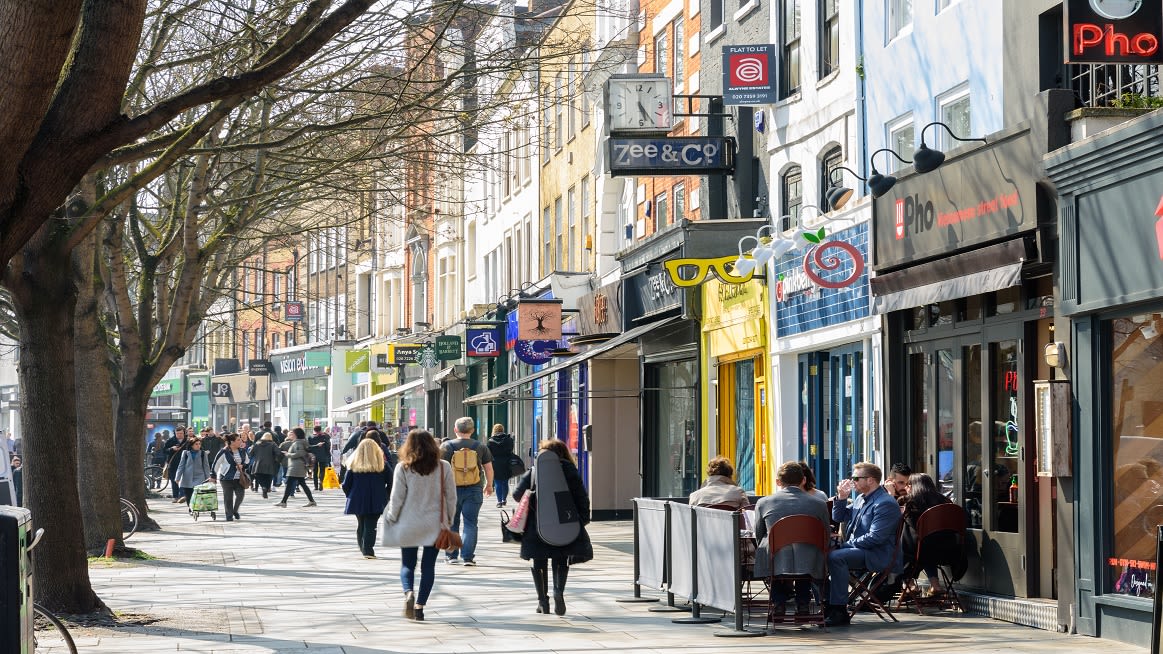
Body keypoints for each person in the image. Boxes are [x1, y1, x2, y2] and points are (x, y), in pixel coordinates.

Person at [382, 429, 457, 622]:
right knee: (428, 566)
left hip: (409, 523)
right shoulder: (444, 467)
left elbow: (397, 497)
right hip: (435, 524)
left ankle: (408, 592)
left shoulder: (403, 467)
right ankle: (420, 607)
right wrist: (450, 519)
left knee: (407, 564)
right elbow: (451, 497)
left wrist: (391, 516)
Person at [512, 439, 593, 616]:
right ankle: (559, 592)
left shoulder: (535, 471)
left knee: (538, 560)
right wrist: (583, 519)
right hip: (565, 521)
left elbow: (517, 494)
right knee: (561, 558)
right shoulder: (569, 470)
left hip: (537, 523)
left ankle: (543, 601)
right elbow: (581, 496)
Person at [825, 462, 902, 626]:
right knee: (822, 554)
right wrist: (842, 498)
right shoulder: (861, 498)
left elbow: (876, 538)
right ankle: (828, 604)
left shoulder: (885, 503)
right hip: (860, 549)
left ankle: (839, 610)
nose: (852, 482)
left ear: (871, 480)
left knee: (836, 557)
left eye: (856, 478)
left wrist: (846, 545)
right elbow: (839, 518)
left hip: (878, 553)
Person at [753, 461, 830, 617]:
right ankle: (803, 604)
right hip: (810, 558)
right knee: (806, 553)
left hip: (777, 557)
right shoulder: (819, 503)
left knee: (772, 549)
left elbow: (759, 534)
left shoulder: (763, 503)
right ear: (803, 480)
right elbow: (825, 534)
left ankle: (778, 603)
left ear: (778, 482)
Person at [439, 417, 494, 566]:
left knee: (452, 523)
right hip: (474, 488)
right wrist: (489, 485)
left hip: (450, 490)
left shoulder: (446, 446)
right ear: (472, 430)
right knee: (470, 523)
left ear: (455, 430)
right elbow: (488, 468)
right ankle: (468, 557)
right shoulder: (480, 446)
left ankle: (451, 556)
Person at [902, 472, 963, 597]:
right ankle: (935, 585)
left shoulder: (911, 503)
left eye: (908, 485)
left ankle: (909, 584)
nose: (905, 488)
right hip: (949, 550)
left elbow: (911, 532)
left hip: (919, 553)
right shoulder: (945, 501)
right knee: (927, 544)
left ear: (914, 486)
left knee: (900, 545)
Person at [342, 438, 391, 558]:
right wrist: (386, 495)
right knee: (371, 523)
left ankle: (362, 546)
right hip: (376, 498)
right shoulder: (382, 465)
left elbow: (345, 484)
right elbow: (391, 482)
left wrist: (350, 495)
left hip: (357, 498)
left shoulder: (353, 466)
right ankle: (368, 549)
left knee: (361, 523)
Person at [211, 433, 249, 522]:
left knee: (240, 495)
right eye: (238, 440)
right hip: (226, 478)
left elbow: (248, 462)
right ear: (232, 442)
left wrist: (242, 466)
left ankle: (235, 511)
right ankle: (229, 515)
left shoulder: (242, 451)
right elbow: (216, 464)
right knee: (228, 498)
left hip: (239, 478)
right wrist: (213, 476)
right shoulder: (224, 451)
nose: (241, 441)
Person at [276, 427, 316, 508]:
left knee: (290, 484)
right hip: (297, 466)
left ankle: (284, 502)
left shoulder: (298, 443)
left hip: (296, 467)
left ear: (296, 434)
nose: (291, 434)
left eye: (292, 433)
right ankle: (311, 501)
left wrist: (288, 454)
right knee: (300, 484)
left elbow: (299, 453)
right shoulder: (299, 442)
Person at [175, 437, 212, 506]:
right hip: (187, 478)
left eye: (199, 444)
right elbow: (181, 465)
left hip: (200, 477)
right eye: (196, 444)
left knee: (197, 493)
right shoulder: (185, 453)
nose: (198, 446)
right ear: (192, 445)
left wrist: (208, 478)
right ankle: (190, 509)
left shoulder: (203, 454)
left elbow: (206, 467)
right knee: (188, 495)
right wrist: (178, 477)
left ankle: (196, 508)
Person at [486, 424, 515, 507]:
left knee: (497, 482)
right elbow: (510, 450)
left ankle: (499, 501)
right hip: (506, 462)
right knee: (505, 482)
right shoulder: (509, 439)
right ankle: (504, 499)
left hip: (495, 463)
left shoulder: (490, 441)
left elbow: (488, 453)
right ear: (502, 429)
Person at [248, 433, 282, 499]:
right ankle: (266, 489)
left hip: (258, 464)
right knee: (268, 478)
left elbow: (250, 453)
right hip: (270, 464)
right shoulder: (273, 444)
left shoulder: (256, 444)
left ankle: (263, 487)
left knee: (260, 477)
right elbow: (278, 452)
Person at [164, 426, 189, 501]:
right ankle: (176, 496)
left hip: (186, 463)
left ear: (184, 433)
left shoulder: (188, 441)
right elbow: (164, 450)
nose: (179, 435)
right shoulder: (171, 440)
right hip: (173, 463)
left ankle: (183, 495)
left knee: (184, 480)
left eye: (181, 433)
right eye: (177, 433)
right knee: (174, 480)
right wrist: (172, 449)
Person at [309, 425, 332, 491]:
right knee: (322, 470)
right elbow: (328, 446)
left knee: (315, 471)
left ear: (314, 430)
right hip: (323, 455)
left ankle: (316, 486)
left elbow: (309, 447)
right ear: (320, 429)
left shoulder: (311, 437)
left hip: (314, 455)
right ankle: (321, 481)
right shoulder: (325, 436)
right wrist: (328, 454)